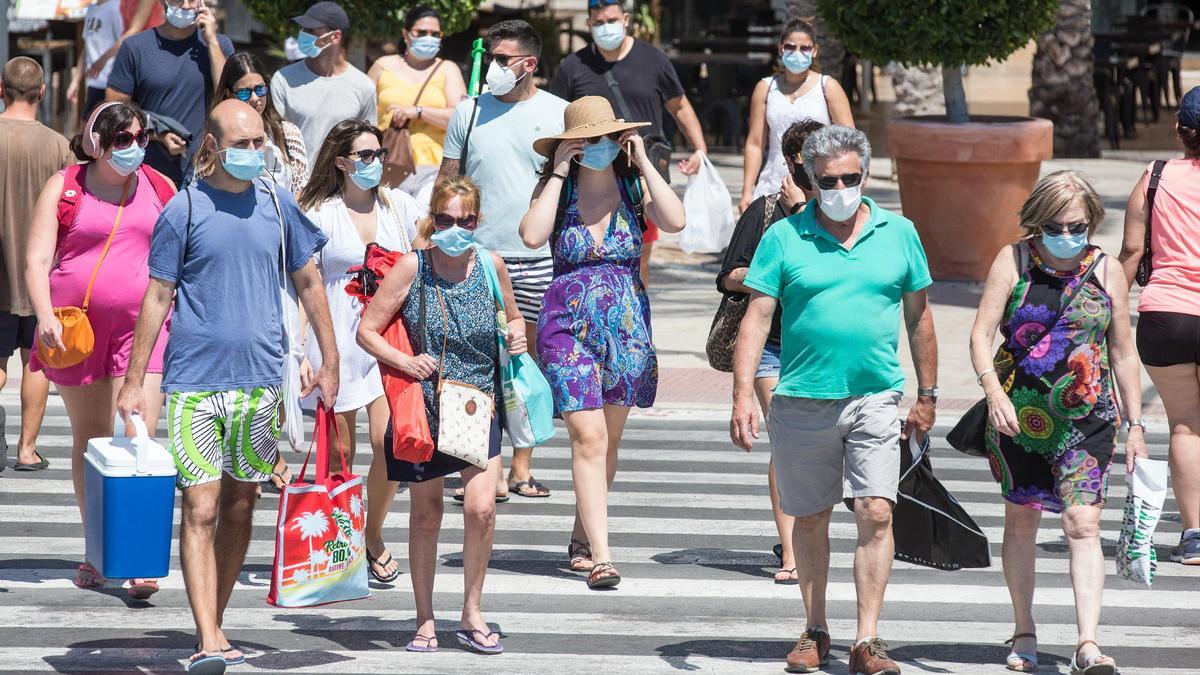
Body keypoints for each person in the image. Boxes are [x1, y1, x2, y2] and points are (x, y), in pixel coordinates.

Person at [116, 99, 338, 673]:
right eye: (242, 144)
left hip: (260, 383)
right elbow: (158, 297)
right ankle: (208, 635)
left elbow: (309, 281)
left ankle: (215, 619)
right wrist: (135, 382)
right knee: (202, 505)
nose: (254, 153)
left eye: (260, 142)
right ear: (212, 147)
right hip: (195, 383)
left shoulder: (274, 202)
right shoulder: (183, 210)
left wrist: (328, 359)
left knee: (242, 505)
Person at [729, 125, 938, 675]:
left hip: (875, 395)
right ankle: (816, 627)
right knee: (812, 516)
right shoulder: (784, 237)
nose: (841, 187)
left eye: (851, 177)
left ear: (865, 174)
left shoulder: (900, 232)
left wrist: (928, 394)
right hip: (801, 397)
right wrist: (741, 396)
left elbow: (919, 317)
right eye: (829, 180)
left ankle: (867, 640)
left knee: (875, 509)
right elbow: (756, 319)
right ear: (810, 179)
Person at [972, 171, 1144, 674]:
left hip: (1087, 421)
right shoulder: (1014, 260)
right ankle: (1024, 629)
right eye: (1057, 224)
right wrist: (992, 391)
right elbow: (981, 334)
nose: (1068, 234)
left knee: (1083, 522)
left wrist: (1135, 425)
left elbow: (1123, 352)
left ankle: (1088, 642)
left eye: (1079, 225)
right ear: (1036, 221)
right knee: (1021, 520)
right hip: (1017, 417)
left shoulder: (1107, 269)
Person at [520, 96, 686, 589]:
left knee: (606, 442)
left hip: (627, 329)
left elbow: (676, 221)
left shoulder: (634, 185)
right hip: (566, 324)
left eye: (608, 137)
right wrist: (556, 171)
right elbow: (531, 235)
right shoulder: (560, 188)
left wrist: (643, 161)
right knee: (588, 438)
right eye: (589, 140)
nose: (600, 147)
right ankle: (602, 556)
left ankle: (581, 536)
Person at [358, 176, 524, 655]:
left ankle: (472, 611)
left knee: (481, 507)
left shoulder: (491, 264)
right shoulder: (414, 266)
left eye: (465, 221)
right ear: (433, 218)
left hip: (477, 402)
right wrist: (406, 362)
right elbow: (367, 330)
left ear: (478, 221)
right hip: (425, 405)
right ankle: (425, 619)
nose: (455, 228)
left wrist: (515, 334)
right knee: (427, 514)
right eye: (446, 220)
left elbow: (511, 316)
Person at [25, 101, 174, 596]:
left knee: (139, 436)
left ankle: (136, 555)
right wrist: (44, 315)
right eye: (122, 140)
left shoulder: (159, 186)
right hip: (75, 329)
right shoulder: (66, 185)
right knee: (90, 441)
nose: (134, 148)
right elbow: (38, 256)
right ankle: (96, 550)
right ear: (96, 142)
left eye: (140, 138)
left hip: (144, 330)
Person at [439, 19, 567, 499]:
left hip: (536, 257)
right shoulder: (468, 111)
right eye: (490, 56)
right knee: (469, 361)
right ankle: (474, 467)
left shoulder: (559, 113)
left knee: (524, 362)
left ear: (529, 64)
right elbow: (448, 180)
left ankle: (521, 467)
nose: (491, 66)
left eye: (501, 59)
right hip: (473, 255)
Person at [297, 119, 419, 584]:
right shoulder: (318, 212)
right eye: (365, 156)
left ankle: (372, 533)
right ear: (343, 162)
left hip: (390, 339)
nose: (375, 163)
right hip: (336, 338)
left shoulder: (399, 207)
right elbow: (302, 284)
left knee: (390, 443)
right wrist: (301, 350)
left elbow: (422, 264)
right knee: (338, 452)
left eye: (379, 154)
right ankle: (342, 539)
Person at [718, 119, 822, 585]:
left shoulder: (838, 214)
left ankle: (805, 535)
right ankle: (793, 556)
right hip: (771, 346)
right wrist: (772, 274)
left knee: (812, 448)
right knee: (786, 442)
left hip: (820, 349)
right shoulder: (763, 212)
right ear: (792, 161)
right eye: (808, 158)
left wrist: (805, 215)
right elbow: (729, 275)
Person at [549, 0, 709, 286]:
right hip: (586, 174)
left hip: (637, 172)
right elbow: (553, 116)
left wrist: (700, 149)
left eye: (611, 20)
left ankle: (633, 313)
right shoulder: (572, 67)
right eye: (598, 23)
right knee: (585, 250)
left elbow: (679, 106)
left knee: (640, 255)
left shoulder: (654, 60)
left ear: (625, 19)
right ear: (588, 25)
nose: (605, 27)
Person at [1119, 87, 1200, 566]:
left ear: (1179, 131)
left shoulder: (1155, 176)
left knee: (1186, 427)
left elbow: (1131, 253)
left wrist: (1103, 313)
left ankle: (1194, 535)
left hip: (1165, 315)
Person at [0, 57, 74, 472]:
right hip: (39, 278)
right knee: (35, 361)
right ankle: (27, 451)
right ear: (42, 92)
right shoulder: (58, 145)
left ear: (1, 89)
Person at [105, 0, 234, 188]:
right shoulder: (135, 47)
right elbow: (113, 110)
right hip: (150, 174)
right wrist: (158, 133)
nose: (186, 5)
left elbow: (229, 98)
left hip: (205, 173)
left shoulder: (220, 44)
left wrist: (212, 42)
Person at [738, 19, 853, 213]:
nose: (797, 52)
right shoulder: (765, 88)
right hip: (772, 183)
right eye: (790, 46)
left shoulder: (828, 87)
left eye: (804, 48)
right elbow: (755, 143)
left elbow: (850, 142)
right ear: (781, 48)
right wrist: (746, 191)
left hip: (817, 186)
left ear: (814, 51)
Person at [368, 5, 466, 211]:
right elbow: (363, 114)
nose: (428, 38)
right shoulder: (382, 66)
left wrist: (418, 112)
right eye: (421, 32)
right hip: (388, 165)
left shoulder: (448, 69)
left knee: (423, 226)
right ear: (406, 34)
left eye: (435, 33)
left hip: (434, 168)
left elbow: (460, 117)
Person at [272, 1, 377, 163]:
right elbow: (274, 137)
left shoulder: (363, 86)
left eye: (311, 30)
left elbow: (368, 147)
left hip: (342, 185)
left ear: (335, 37)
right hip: (297, 185)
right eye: (302, 29)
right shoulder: (283, 79)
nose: (302, 34)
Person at [212, 52, 309, 195]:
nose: (255, 98)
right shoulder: (217, 138)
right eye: (244, 92)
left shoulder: (288, 135)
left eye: (260, 89)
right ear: (228, 94)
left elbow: (301, 194)